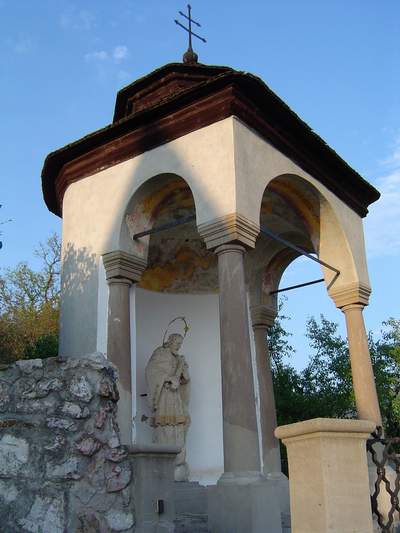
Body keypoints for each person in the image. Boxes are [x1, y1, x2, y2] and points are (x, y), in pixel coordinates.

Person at [145, 333, 190, 481]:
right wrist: (168, 378)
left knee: (178, 427)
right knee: (165, 427)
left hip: (176, 397)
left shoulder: (179, 358)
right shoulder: (160, 353)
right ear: (170, 341)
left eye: (180, 344)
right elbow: (151, 371)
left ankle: (179, 462)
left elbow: (185, 379)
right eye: (177, 343)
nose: (178, 346)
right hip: (164, 396)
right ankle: (165, 461)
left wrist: (183, 369)